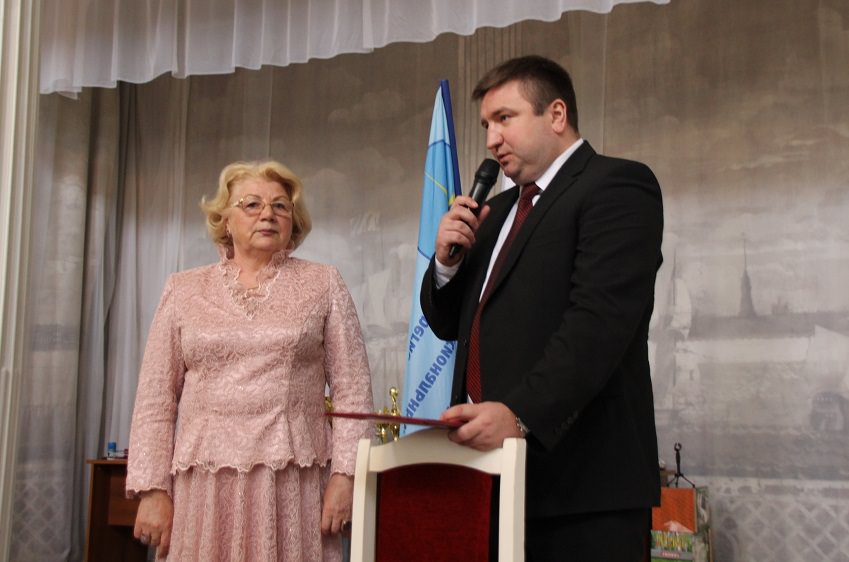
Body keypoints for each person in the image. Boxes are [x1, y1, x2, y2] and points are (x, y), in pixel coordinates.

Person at [421, 55, 664, 561]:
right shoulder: (493, 212)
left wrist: (519, 415)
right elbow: (448, 325)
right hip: (489, 479)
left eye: (504, 118)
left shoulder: (617, 186)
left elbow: (597, 325)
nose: (491, 139)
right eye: (486, 125)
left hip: (583, 490)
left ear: (556, 115)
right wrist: (445, 263)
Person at [126, 160, 374, 561]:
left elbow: (353, 391)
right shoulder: (183, 290)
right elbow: (155, 399)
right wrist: (153, 490)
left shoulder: (324, 283)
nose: (267, 214)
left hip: (292, 485)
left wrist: (346, 477)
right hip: (203, 486)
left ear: (293, 221)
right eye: (252, 204)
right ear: (225, 220)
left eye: (280, 206)